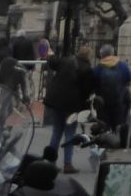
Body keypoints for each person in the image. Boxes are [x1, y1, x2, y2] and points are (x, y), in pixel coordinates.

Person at [43, 45, 95, 174]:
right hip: (72, 106)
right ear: (89, 56)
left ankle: (51, 161)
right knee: (70, 134)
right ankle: (67, 164)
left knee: (57, 131)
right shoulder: (87, 69)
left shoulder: (66, 61)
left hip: (56, 102)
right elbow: (87, 91)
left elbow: (53, 63)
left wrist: (50, 53)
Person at [94, 44, 131, 146]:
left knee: (105, 130)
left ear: (102, 55)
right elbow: (129, 79)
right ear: (113, 53)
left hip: (103, 106)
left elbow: (93, 83)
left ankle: (105, 150)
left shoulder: (98, 68)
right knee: (120, 129)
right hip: (120, 104)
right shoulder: (122, 66)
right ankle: (119, 152)